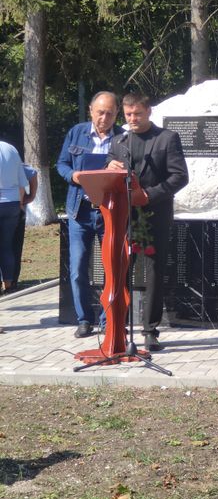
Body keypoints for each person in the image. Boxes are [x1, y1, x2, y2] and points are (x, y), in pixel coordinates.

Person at [107, 93, 188, 352]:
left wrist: (149, 195)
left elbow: (179, 176)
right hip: (124, 217)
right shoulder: (119, 141)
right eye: (128, 115)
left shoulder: (166, 138)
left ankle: (150, 331)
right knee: (120, 270)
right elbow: (110, 175)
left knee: (154, 272)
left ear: (148, 111)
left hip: (155, 215)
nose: (132, 119)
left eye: (137, 114)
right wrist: (109, 166)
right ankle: (118, 326)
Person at [57, 91, 123, 338]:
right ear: (91, 111)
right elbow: (61, 164)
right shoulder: (77, 132)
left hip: (110, 212)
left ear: (116, 113)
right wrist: (73, 176)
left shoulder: (123, 137)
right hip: (80, 212)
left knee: (111, 268)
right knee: (77, 268)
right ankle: (84, 319)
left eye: (109, 113)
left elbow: (133, 170)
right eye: (100, 112)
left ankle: (107, 320)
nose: (104, 118)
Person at [0, 141, 29, 294]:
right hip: (12, 203)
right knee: (6, 246)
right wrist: (20, 203)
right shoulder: (11, 148)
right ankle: (9, 284)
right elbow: (22, 182)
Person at [12, 164, 38, 289]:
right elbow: (32, 172)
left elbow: (32, 172)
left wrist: (31, 196)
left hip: (15, 208)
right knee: (14, 246)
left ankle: (11, 282)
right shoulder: (11, 158)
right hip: (16, 207)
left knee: (13, 246)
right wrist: (32, 195)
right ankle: (11, 282)